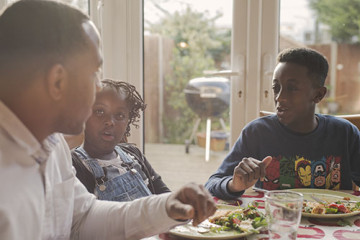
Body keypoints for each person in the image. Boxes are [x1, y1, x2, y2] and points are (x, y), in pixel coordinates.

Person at [0, 1, 216, 239]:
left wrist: (165, 207)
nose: (97, 87)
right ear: (58, 81)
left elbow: (83, 217)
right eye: (94, 73)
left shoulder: (54, 145)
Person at [205, 47, 360, 200]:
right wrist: (234, 184)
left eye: (291, 88)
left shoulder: (344, 134)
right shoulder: (257, 133)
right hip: (274, 222)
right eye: (276, 88)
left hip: (337, 224)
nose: (279, 97)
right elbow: (211, 185)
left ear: (318, 95)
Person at [72, 79, 170, 201]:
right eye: (99, 111)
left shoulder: (134, 154)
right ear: (83, 115)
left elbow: (166, 198)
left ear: (128, 122)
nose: (110, 122)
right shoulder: (74, 165)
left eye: (119, 115)